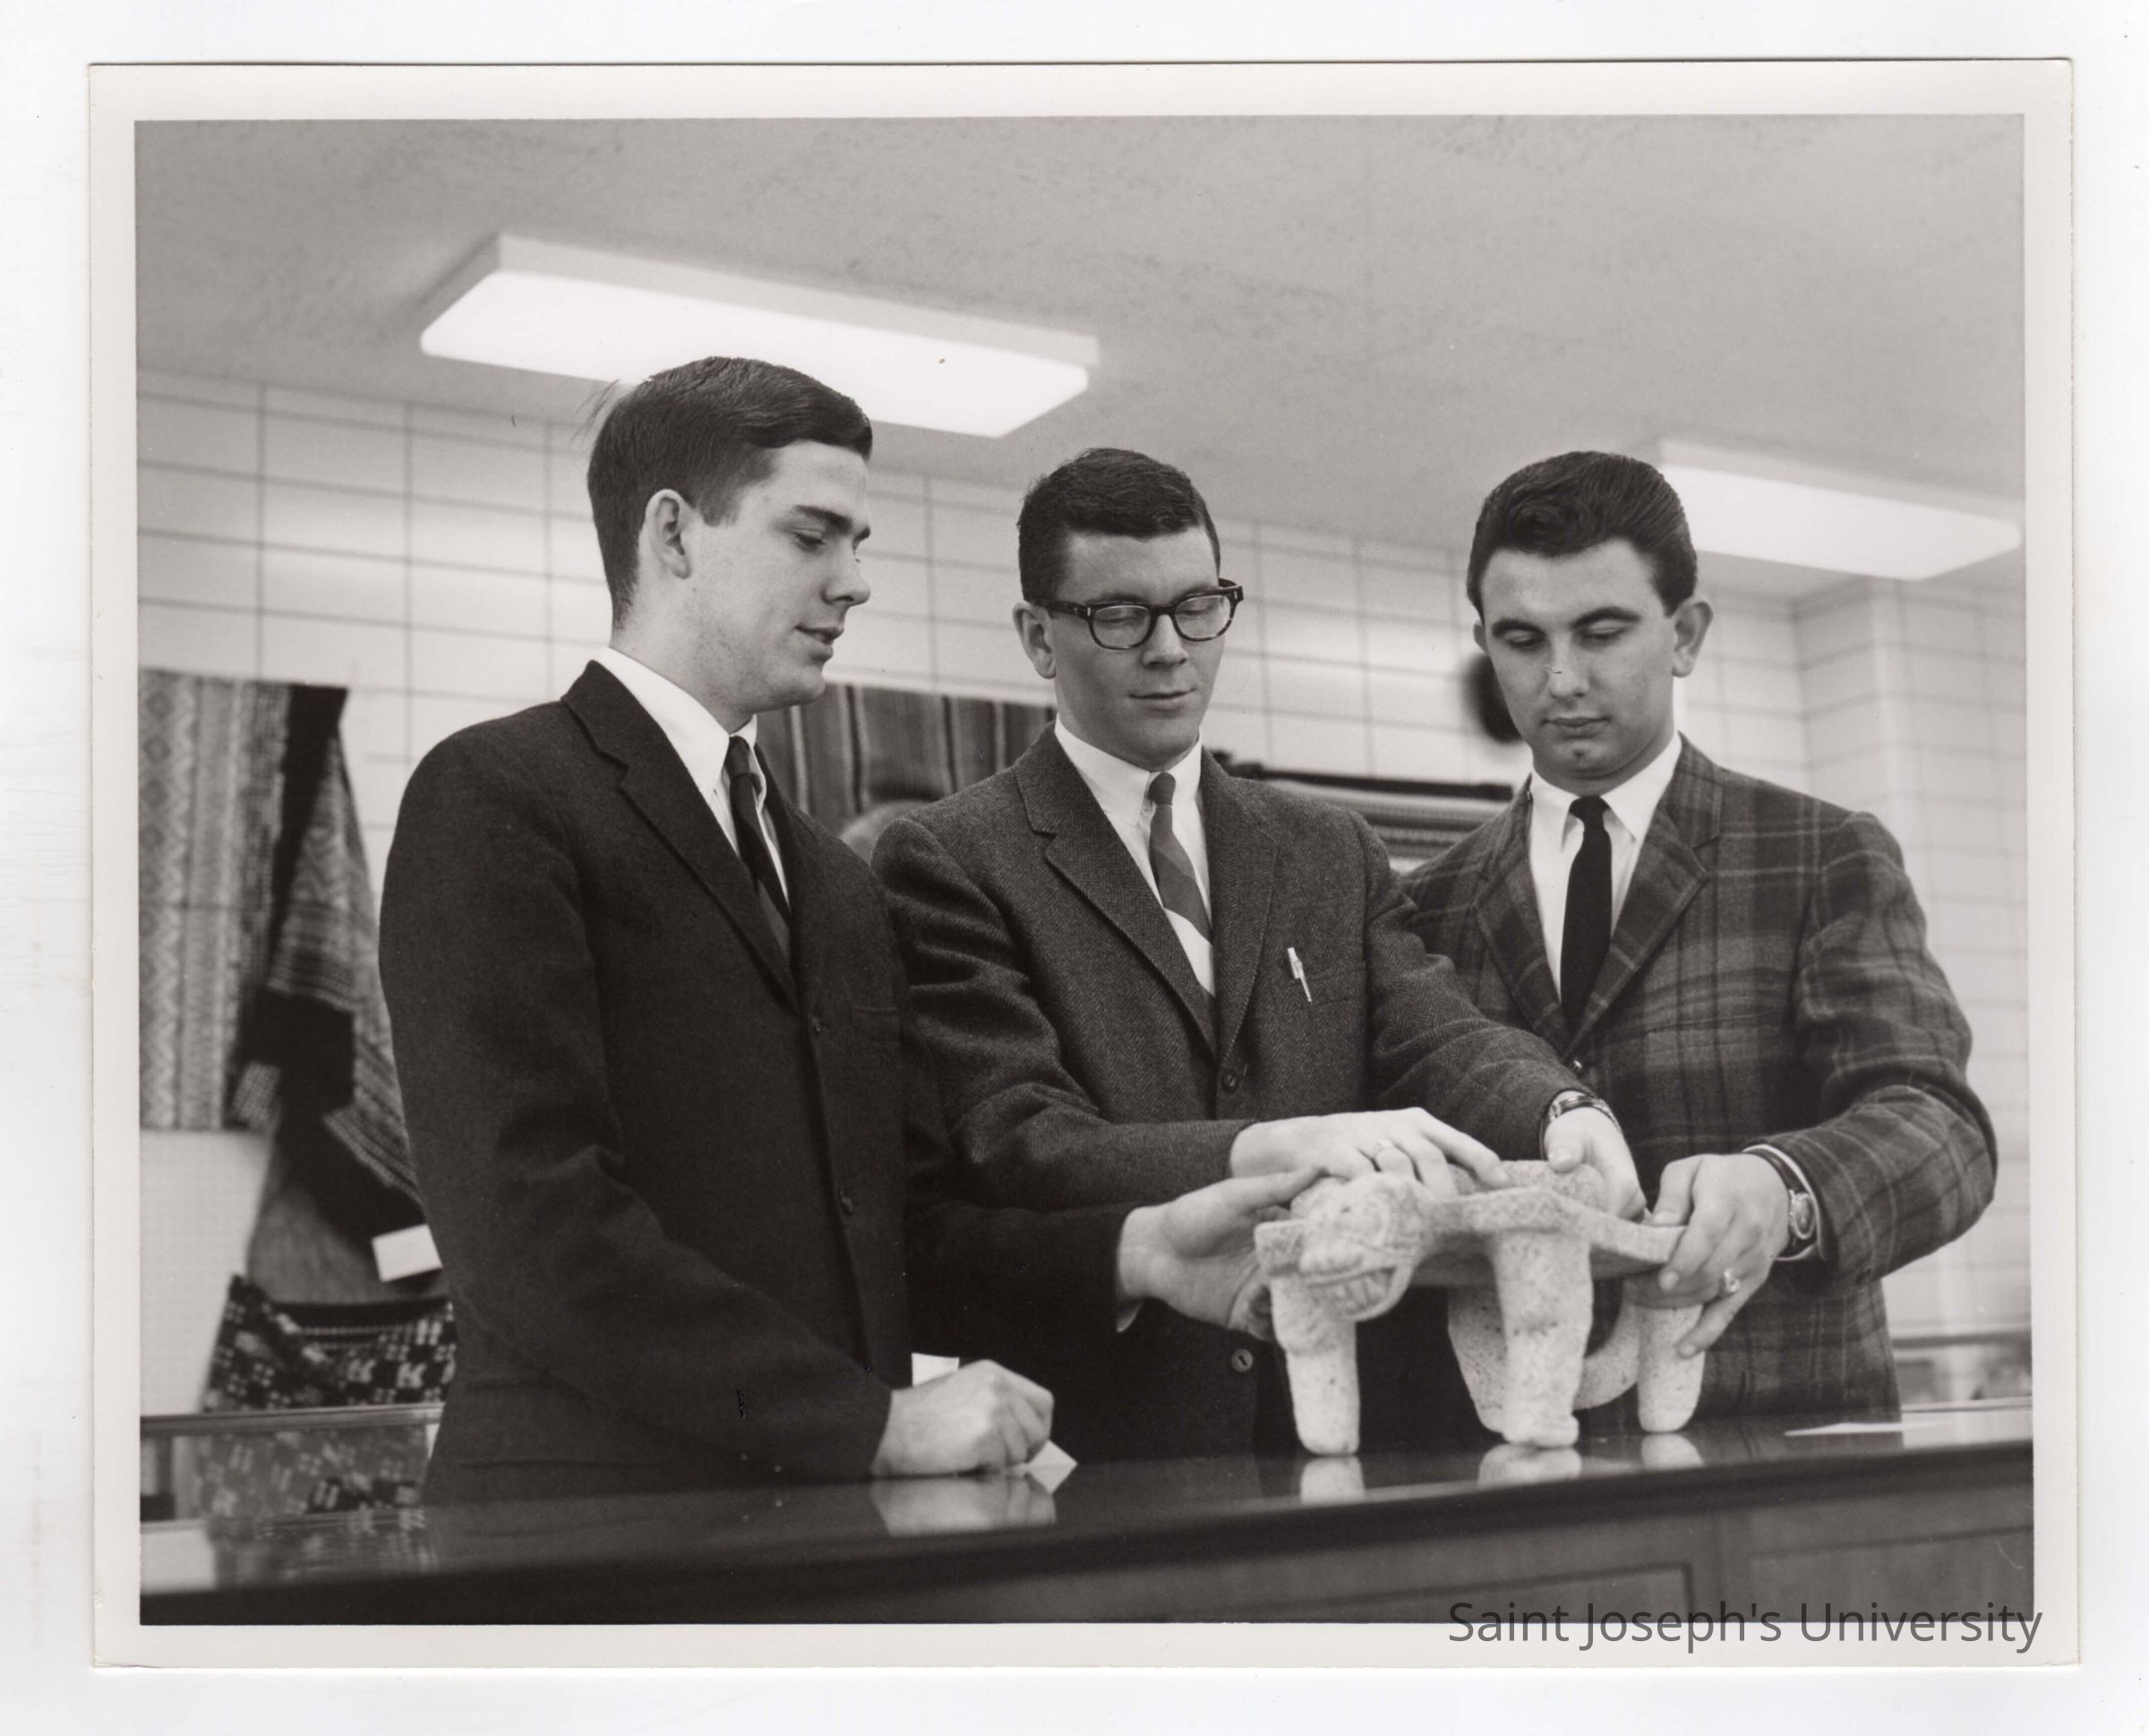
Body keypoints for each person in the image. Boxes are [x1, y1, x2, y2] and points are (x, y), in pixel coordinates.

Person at [378, 361, 1311, 1504]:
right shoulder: (502, 796)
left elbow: (895, 1231)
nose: (855, 582)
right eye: (812, 536)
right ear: (672, 534)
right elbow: (529, 1228)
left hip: (815, 1527)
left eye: (857, 543)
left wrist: (1139, 1252)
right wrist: (868, 1422)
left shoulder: (830, 878)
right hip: (588, 1533)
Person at [872, 447, 1639, 1461]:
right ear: (1037, 636)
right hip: (1122, 1447)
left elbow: (1436, 1033)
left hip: (1362, 1429)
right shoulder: (953, 857)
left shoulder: (1327, 847)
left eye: (1198, 607)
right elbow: (1019, 1139)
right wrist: (1269, 1146)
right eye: (1120, 615)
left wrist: (1562, 1111)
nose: (1169, 650)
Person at [1404, 449, 1996, 1419]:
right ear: (1486, 643)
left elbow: (1941, 1127)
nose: (1562, 679)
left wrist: (1785, 1190)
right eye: (1522, 639)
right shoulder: (1427, 903)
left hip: (1778, 1441)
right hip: (1508, 1450)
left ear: (1683, 634)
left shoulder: (1816, 852)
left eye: (1602, 632)